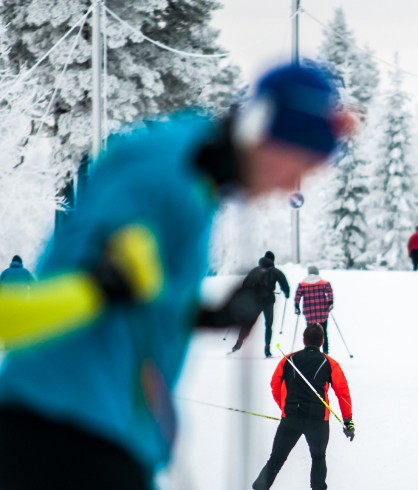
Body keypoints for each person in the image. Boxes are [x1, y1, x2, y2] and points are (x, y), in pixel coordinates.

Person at [0, 61, 352, 489]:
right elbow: (107, 277)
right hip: (64, 425)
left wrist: (201, 315)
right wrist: (113, 275)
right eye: (297, 166)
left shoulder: (197, 180)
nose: (290, 187)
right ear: (264, 134)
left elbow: (135, 296)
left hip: (109, 427)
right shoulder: (167, 169)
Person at [253, 324, 354, 490]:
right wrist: (348, 421)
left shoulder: (289, 360)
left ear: (303, 340)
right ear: (322, 341)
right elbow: (342, 392)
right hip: (318, 421)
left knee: (276, 459)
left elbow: (274, 385)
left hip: (291, 418)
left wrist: (284, 407)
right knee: (318, 457)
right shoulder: (329, 363)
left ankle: (260, 487)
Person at [231, 251, 291, 357]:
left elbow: (245, 283)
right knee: (268, 324)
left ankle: (239, 342)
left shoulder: (255, 270)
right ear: (272, 260)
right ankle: (267, 348)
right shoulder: (275, 271)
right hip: (268, 301)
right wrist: (287, 293)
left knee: (248, 322)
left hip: (255, 300)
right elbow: (284, 283)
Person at [295, 265, 334, 354]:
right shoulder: (324, 283)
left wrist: (296, 306)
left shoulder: (302, 284)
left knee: (310, 333)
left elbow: (298, 296)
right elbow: (329, 293)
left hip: (309, 313)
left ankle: (311, 351)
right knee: (323, 332)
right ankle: (325, 352)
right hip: (322, 312)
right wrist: (330, 302)